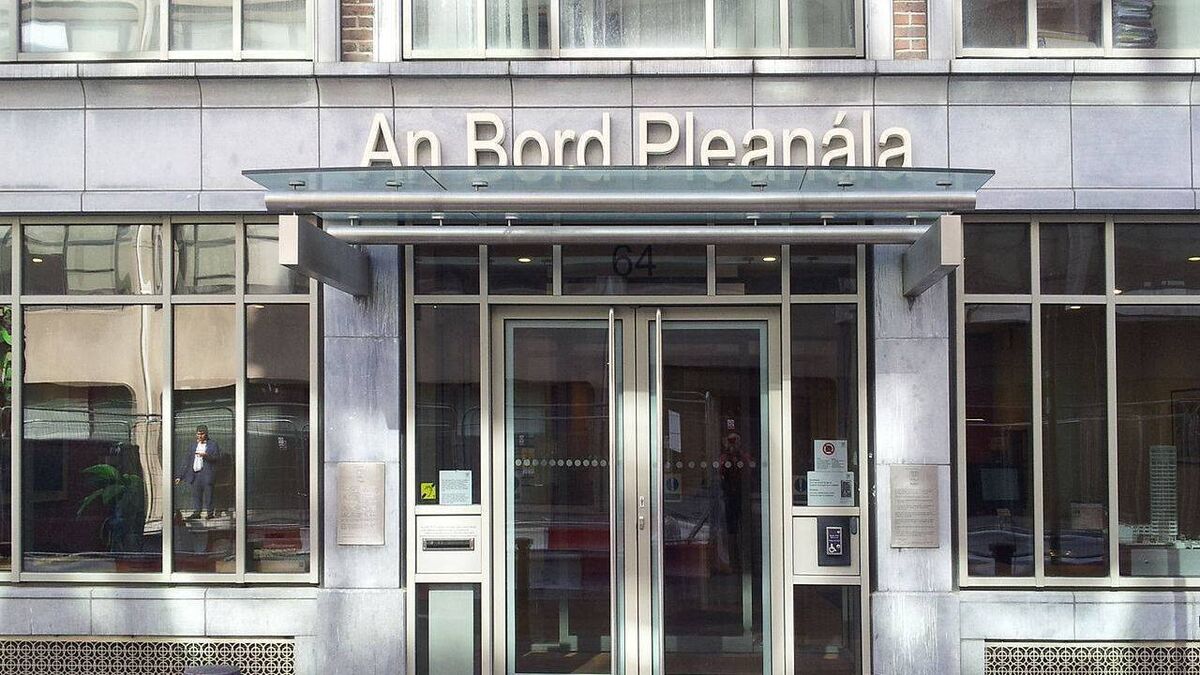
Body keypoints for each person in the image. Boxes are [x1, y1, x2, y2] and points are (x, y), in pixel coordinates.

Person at [174, 425, 222, 519]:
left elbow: (217, 458)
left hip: (207, 473)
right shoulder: (193, 446)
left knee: (209, 494)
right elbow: (187, 461)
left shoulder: (212, 444)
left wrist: (206, 456)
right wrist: (180, 476)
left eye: (202, 434)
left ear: (206, 434)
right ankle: (197, 512)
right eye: (198, 434)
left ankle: (210, 513)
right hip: (195, 474)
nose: (199, 436)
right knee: (196, 494)